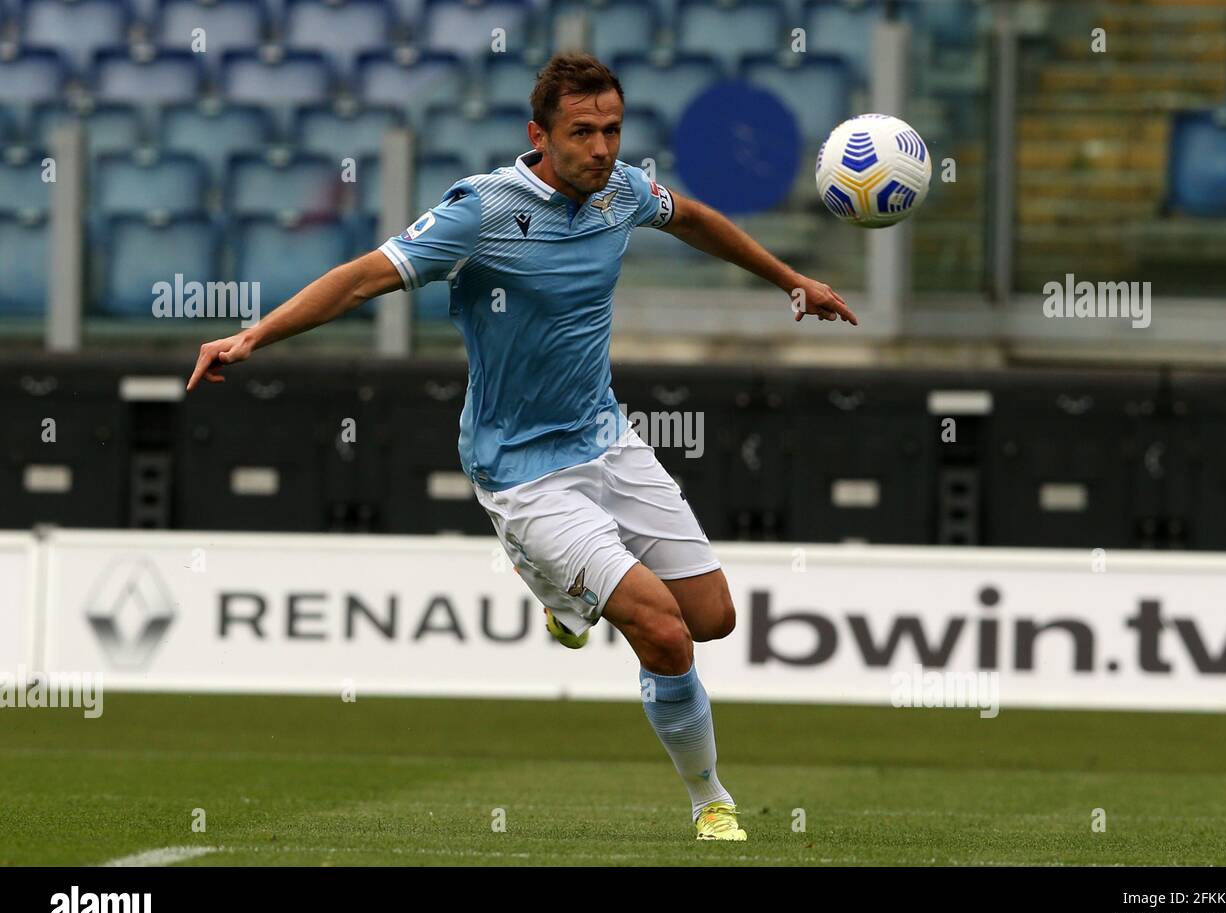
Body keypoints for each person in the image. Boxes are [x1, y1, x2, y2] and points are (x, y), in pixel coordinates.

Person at [187, 53, 858, 841]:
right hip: (523, 471)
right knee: (665, 634)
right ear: (539, 134)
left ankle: (561, 600)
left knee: (710, 619)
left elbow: (694, 218)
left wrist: (792, 281)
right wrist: (254, 334)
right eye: (583, 132)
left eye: (612, 130)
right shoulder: (481, 210)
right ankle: (710, 799)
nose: (602, 148)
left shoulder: (622, 191)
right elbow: (364, 277)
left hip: (606, 441)